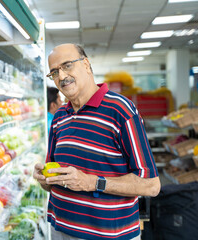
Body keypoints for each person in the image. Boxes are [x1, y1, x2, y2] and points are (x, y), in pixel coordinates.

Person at [33, 43, 160, 240]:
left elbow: (151, 185)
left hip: (108, 235)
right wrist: (44, 180)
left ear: (85, 64)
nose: (62, 76)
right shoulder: (59, 117)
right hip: (59, 230)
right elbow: (54, 181)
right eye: (54, 72)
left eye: (67, 66)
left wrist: (92, 182)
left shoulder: (121, 110)